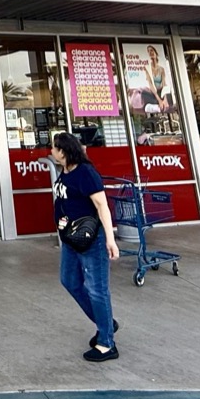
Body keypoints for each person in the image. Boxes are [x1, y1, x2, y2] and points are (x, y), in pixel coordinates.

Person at [51, 131, 120, 361]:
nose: (51, 151)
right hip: (71, 239)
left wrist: (110, 239)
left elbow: (102, 206)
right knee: (69, 281)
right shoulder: (65, 172)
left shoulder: (86, 173)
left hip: (92, 240)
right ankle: (106, 323)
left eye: (54, 148)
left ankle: (107, 344)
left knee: (97, 289)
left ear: (63, 151)